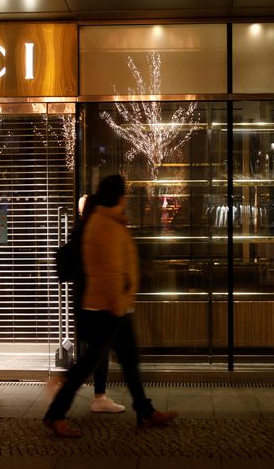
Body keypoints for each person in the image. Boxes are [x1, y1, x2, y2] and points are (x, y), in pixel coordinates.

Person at [43, 174, 177, 437]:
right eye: (124, 194)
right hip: (109, 308)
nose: (126, 198)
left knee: (128, 362)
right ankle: (56, 413)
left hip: (114, 306)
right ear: (118, 196)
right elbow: (110, 270)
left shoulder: (107, 221)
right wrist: (118, 305)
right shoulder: (106, 225)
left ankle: (145, 411)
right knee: (90, 364)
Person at [46, 194, 125, 413]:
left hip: (86, 299)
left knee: (95, 351)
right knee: (97, 351)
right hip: (93, 300)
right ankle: (76, 389)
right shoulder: (92, 230)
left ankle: (94, 394)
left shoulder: (82, 229)